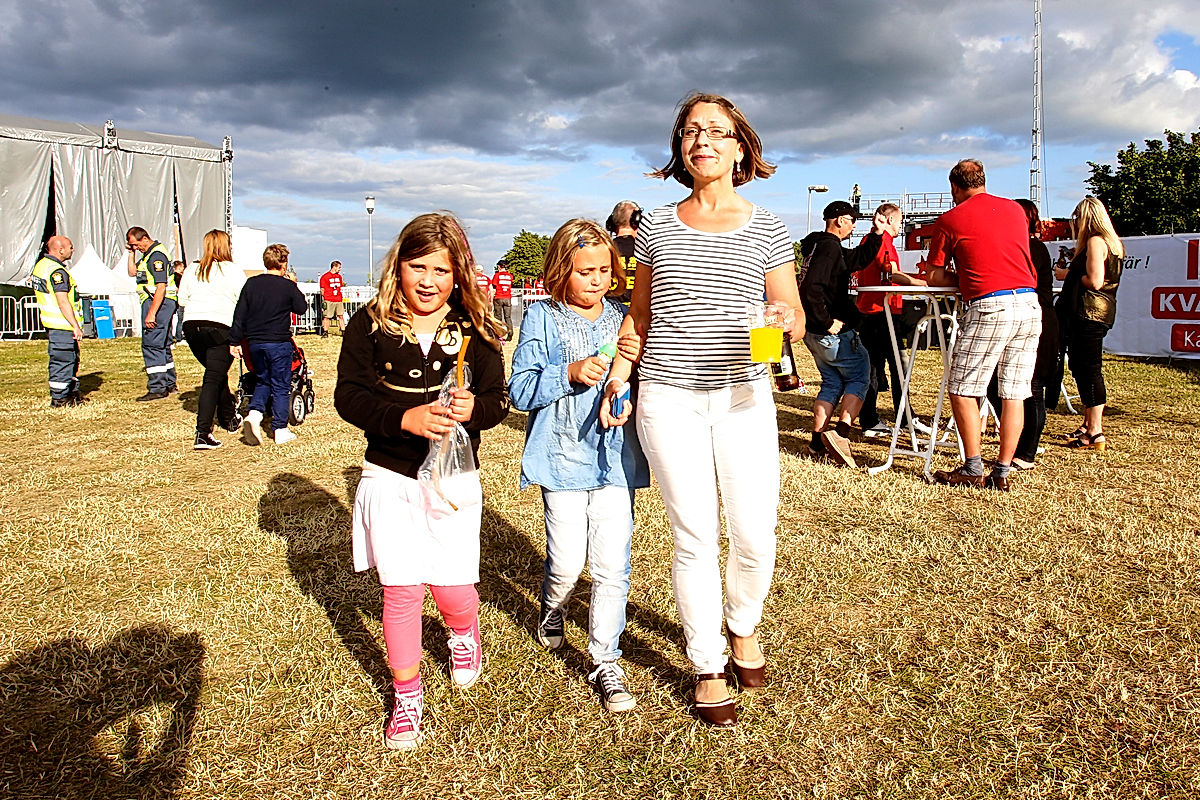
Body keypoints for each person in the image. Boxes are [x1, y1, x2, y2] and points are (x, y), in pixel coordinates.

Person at [600, 92, 804, 727]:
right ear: (679, 148)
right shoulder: (655, 226)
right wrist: (618, 375)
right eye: (690, 132)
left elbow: (790, 310)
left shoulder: (768, 226)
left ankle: (743, 623)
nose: (701, 142)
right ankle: (708, 661)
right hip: (668, 399)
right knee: (693, 535)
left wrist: (785, 323)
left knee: (754, 532)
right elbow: (638, 315)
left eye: (716, 132)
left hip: (745, 395)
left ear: (740, 147)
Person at [334, 212, 508, 750]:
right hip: (389, 476)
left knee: (453, 588)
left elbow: (499, 402)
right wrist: (402, 419)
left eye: (442, 270)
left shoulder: (476, 331)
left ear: (459, 276)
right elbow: (349, 396)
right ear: (398, 266)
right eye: (417, 266)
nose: (428, 280)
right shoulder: (368, 324)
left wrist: (473, 408)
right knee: (402, 590)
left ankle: (463, 633)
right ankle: (406, 693)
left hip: (454, 482)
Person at [509, 219, 650, 714]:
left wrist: (626, 386)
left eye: (605, 270)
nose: (597, 280)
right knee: (568, 562)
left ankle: (604, 659)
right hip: (562, 457)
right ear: (559, 271)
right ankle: (553, 605)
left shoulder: (623, 316)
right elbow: (520, 389)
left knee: (612, 567)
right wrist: (568, 372)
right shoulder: (541, 318)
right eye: (584, 271)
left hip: (615, 458)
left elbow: (642, 375)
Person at [925, 159, 1041, 492]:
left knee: (963, 387)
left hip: (990, 305)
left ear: (954, 187)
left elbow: (934, 276)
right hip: (1029, 304)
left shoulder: (949, 219)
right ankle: (1002, 471)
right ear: (984, 181)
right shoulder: (1015, 211)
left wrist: (964, 278)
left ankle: (973, 466)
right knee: (1014, 392)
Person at [796, 199, 887, 468]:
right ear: (839, 220)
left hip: (814, 334)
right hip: (828, 331)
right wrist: (826, 322)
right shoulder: (828, 249)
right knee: (861, 376)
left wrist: (876, 234)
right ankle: (841, 435)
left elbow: (855, 260)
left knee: (832, 383)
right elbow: (812, 289)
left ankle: (816, 442)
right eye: (851, 220)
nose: (853, 225)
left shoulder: (820, 246)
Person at [985, 199, 1058, 469]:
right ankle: (1018, 443)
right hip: (1028, 315)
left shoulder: (1032, 248)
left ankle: (1027, 452)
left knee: (1032, 388)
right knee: (1000, 386)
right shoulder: (1022, 246)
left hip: (1037, 318)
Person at [855, 203, 930, 438]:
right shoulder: (882, 241)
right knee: (897, 366)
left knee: (877, 368)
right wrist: (919, 283)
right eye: (898, 220)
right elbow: (892, 272)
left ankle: (875, 418)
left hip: (873, 311)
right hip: (881, 312)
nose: (900, 225)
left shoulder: (869, 240)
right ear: (887, 220)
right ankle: (902, 417)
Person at [1056, 196, 1123, 451]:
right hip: (1100, 312)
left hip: (1088, 313)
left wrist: (1067, 274)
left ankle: (1095, 429)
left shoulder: (1095, 242)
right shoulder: (1113, 244)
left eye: (1077, 218)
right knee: (1085, 367)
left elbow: (1094, 281)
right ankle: (1088, 424)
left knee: (1088, 369)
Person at [228, 244, 309, 445]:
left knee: (263, 380)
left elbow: (240, 315)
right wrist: (294, 285)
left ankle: (254, 414)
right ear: (284, 264)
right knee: (281, 385)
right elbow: (301, 308)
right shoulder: (287, 286)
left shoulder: (251, 284)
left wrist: (234, 341)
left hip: (255, 343)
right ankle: (280, 428)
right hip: (278, 341)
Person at [178, 230, 247, 450]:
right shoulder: (233, 271)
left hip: (192, 326)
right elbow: (243, 302)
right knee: (212, 378)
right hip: (220, 326)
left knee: (216, 375)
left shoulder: (192, 269)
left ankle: (228, 418)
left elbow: (182, 299)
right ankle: (203, 432)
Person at [31, 236, 84, 407]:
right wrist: (75, 325)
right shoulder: (57, 272)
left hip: (53, 323)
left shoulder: (41, 266)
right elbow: (62, 300)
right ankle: (60, 399)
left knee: (69, 359)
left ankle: (69, 393)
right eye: (70, 247)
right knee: (64, 361)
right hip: (62, 324)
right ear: (60, 250)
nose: (72, 250)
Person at [126, 227, 178, 401]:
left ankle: (157, 387)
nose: (135, 248)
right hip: (157, 302)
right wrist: (131, 254)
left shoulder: (156, 256)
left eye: (136, 244)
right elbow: (133, 272)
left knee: (152, 343)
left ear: (145, 238)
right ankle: (169, 383)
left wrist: (151, 314)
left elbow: (161, 286)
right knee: (162, 343)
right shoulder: (146, 256)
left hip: (158, 303)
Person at [605, 200, 642, 302]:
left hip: (611, 311)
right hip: (638, 315)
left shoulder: (604, 250)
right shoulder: (645, 250)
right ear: (637, 221)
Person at [319, 260, 345, 337]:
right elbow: (322, 289)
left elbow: (340, 287)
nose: (340, 269)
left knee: (340, 315)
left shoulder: (339, 277)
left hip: (338, 299)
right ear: (334, 266)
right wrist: (325, 298)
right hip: (329, 299)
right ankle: (325, 331)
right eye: (339, 267)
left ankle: (343, 331)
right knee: (327, 316)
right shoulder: (325, 277)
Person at [490, 259, 514, 340]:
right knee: (508, 317)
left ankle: (498, 334)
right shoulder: (510, 276)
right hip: (507, 297)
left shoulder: (497, 275)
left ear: (499, 267)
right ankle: (510, 334)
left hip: (498, 297)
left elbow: (494, 287)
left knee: (498, 317)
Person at [171, 261, 187, 344]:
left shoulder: (172, 277)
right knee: (181, 319)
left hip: (176, 299)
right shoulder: (178, 277)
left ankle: (178, 336)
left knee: (179, 319)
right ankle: (179, 337)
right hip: (180, 300)